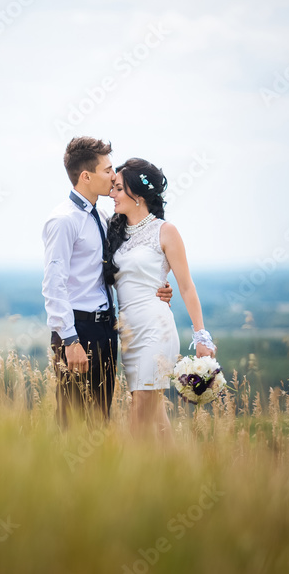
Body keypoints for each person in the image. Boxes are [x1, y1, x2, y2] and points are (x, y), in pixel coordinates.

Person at [42, 138, 172, 429]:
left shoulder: (101, 217)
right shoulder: (63, 220)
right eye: (108, 170)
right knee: (73, 420)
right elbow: (53, 285)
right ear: (86, 176)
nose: (114, 176)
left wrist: (156, 288)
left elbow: (119, 268)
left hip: (106, 329)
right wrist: (70, 340)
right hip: (78, 330)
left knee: (98, 420)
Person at [105, 157, 216, 441]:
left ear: (138, 195)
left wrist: (201, 337)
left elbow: (187, 287)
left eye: (118, 188)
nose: (112, 194)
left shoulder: (165, 231)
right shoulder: (114, 230)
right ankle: (179, 477)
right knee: (155, 416)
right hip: (129, 334)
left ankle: (127, 478)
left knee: (140, 411)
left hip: (157, 329)